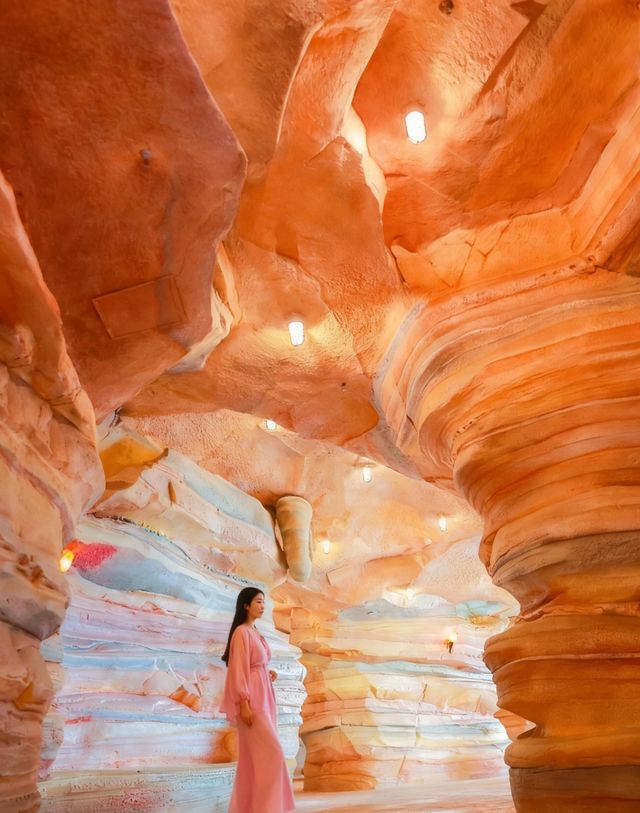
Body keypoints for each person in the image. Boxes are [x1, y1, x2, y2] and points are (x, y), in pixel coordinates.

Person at [221, 586, 296, 813]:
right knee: (272, 755)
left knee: (257, 761)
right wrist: (243, 703)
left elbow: (254, 665)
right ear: (246, 605)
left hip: (264, 695)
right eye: (258, 602)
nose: (262, 606)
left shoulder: (255, 632)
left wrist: (267, 672)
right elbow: (238, 669)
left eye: (264, 602)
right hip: (253, 702)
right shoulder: (242, 633)